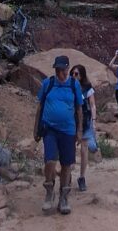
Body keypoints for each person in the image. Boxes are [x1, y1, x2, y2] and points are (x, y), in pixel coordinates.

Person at [34, 54, 83, 215]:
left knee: (66, 165)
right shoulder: (48, 83)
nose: (60, 73)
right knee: (50, 161)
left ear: (68, 69)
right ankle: (49, 191)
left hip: (68, 130)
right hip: (50, 129)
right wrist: (36, 129)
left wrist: (79, 130)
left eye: (62, 70)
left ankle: (64, 196)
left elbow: (79, 109)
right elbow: (40, 106)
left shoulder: (74, 85)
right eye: (58, 70)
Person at [70, 63, 97, 191]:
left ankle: (82, 177)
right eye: (72, 73)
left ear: (81, 75)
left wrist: (94, 120)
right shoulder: (68, 86)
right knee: (69, 149)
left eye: (76, 74)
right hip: (71, 121)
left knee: (84, 149)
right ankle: (67, 174)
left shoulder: (87, 88)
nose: (74, 76)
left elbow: (92, 105)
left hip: (85, 121)